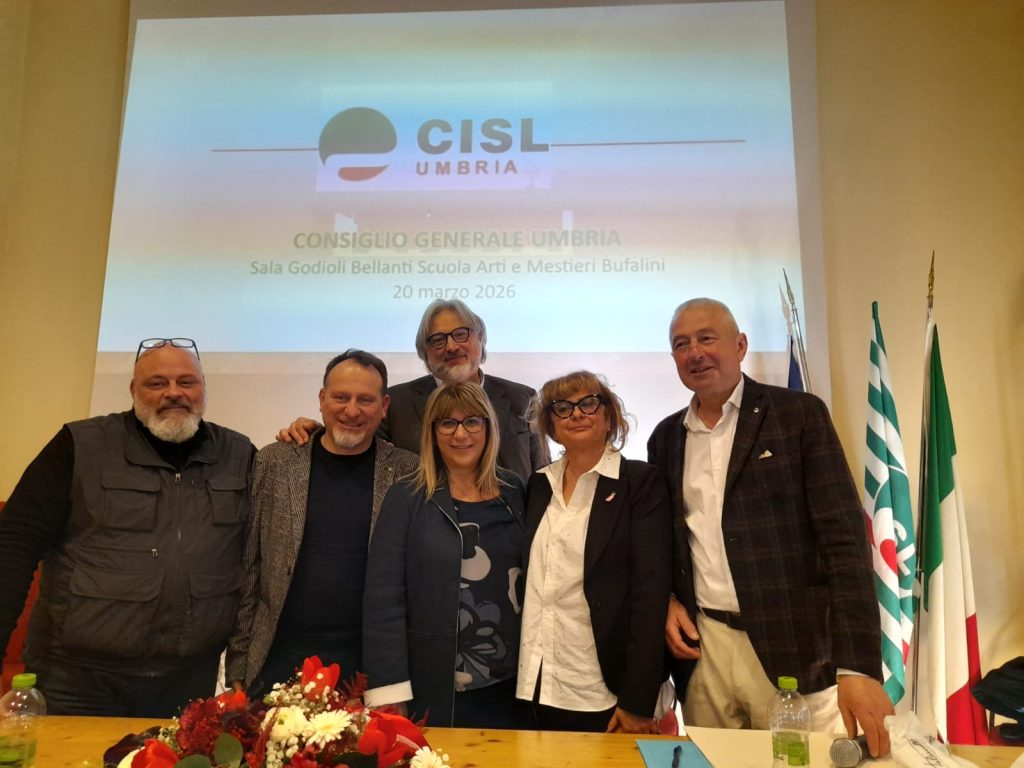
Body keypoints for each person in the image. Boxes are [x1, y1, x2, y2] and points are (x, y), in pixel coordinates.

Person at [647, 298, 894, 756]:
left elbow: (844, 543)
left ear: (740, 345)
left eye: (707, 338)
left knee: (804, 764)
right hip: (705, 652)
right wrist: (666, 600)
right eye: (681, 344)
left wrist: (857, 666)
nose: (695, 352)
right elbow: (664, 542)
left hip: (796, 651)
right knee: (715, 762)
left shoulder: (800, 416)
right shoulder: (665, 438)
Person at [0, 338, 253, 717]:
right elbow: (16, 543)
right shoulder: (79, 445)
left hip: (188, 683)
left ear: (203, 388)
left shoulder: (239, 454)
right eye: (157, 383)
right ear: (134, 390)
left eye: (186, 382)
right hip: (77, 681)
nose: (174, 393)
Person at [225, 350, 418, 695]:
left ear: (384, 406)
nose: (352, 411)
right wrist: (238, 663)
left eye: (365, 400)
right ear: (321, 399)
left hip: (369, 667)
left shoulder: (409, 472)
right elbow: (249, 566)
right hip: (279, 657)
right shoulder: (275, 462)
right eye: (341, 397)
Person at [362, 381, 532, 729]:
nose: (460, 434)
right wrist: (389, 690)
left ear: (488, 427)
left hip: (512, 683)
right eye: (448, 423)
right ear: (432, 432)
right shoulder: (408, 497)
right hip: (436, 685)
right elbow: (383, 598)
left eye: (472, 421)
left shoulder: (515, 491)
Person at [516, 371, 672, 734]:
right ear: (551, 426)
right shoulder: (539, 484)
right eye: (562, 407)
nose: (576, 414)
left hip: (600, 688)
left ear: (609, 417)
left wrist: (637, 700)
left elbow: (650, 595)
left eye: (588, 403)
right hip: (535, 682)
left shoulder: (640, 483)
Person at [278, 299, 548, 482]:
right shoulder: (396, 403)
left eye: (461, 334)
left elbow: (543, 475)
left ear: (480, 338)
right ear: (424, 352)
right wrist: (315, 433)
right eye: (438, 340)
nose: (451, 346)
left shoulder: (522, 398)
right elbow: (354, 442)